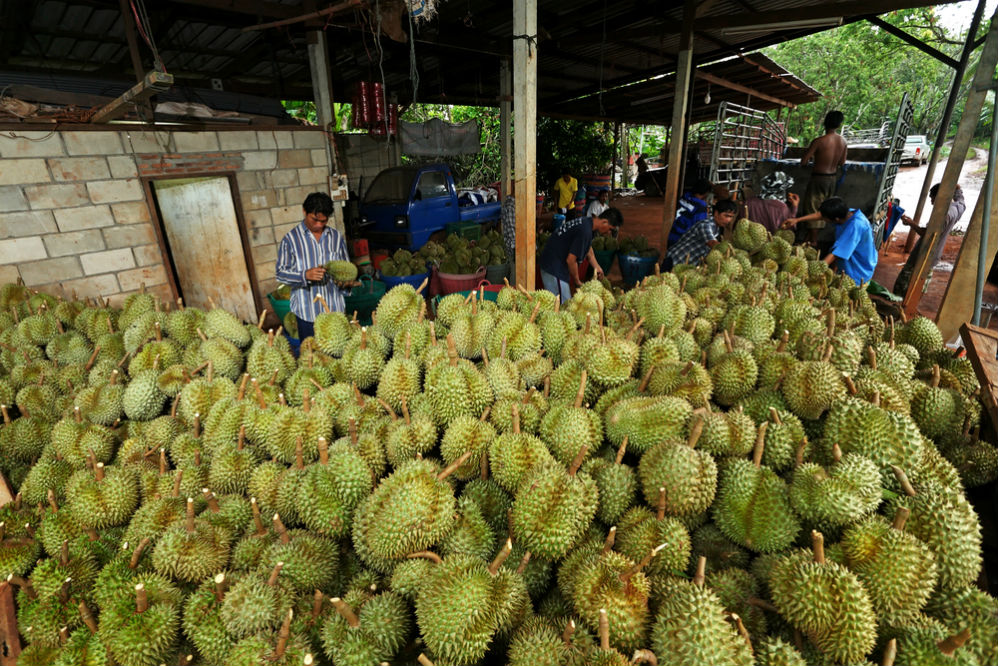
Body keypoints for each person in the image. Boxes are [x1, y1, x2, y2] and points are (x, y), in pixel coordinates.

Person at [275, 192, 355, 340]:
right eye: (315, 220)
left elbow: (345, 267)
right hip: (307, 313)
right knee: (312, 356)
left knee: (338, 356)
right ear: (305, 211)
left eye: (324, 221)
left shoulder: (336, 237)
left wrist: (347, 283)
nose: (319, 225)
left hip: (334, 309)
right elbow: (280, 273)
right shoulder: (290, 239)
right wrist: (304, 275)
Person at [783, 196, 877, 285]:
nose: (823, 219)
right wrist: (797, 220)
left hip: (858, 270)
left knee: (848, 295)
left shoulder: (855, 226)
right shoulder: (846, 213)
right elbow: (821, 215)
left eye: (825, 219)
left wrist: (814, 272)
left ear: (836, 219)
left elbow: (836, 253)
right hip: (848, 263)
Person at [893, 183, 966, 295]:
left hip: (924, 254)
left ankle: (900, 306)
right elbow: (959, 191)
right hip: (934, 256)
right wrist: (952, 186)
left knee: (903, 288)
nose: (932, 203)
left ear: (941, 196)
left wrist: (911, 223)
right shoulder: (959, 206)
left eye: (933, 199)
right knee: (920, 287)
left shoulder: (944, 215)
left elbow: (927, 234)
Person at [539, 208, 624, 301]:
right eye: (610, 229)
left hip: (553, 261)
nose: (609, 233)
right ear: (604, 222)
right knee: (563, 303)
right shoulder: (585, 231)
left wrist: (597, 267)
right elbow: (571, 260)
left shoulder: (587, 222)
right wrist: (577, 281)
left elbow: (588, 248)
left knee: (564, 303)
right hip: (554, 268)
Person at [799, 110, 848, 248]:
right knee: (825, 209)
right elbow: (842, 163)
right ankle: (810, 238)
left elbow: (804, 161)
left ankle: (813, 241)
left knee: (812, 207)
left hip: (818, 178)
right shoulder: (843, 142)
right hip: (832, 178)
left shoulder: (819, 141)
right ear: (839, 124)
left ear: (826, 123)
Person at [663, 199, 738, 271]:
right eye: (726, 216)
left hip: (686, 264)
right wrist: (734, 252)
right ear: (716, 213)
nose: (729, 220)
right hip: (675, 260)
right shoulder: (705, 225)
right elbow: (713, 243)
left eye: (731, 217)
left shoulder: (717, 229)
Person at [668, 178, 712, 247]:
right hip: (683, 241)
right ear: (706, 192)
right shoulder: (701, 206)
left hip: (673, 235)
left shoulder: (686, 196)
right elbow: (700, 227)